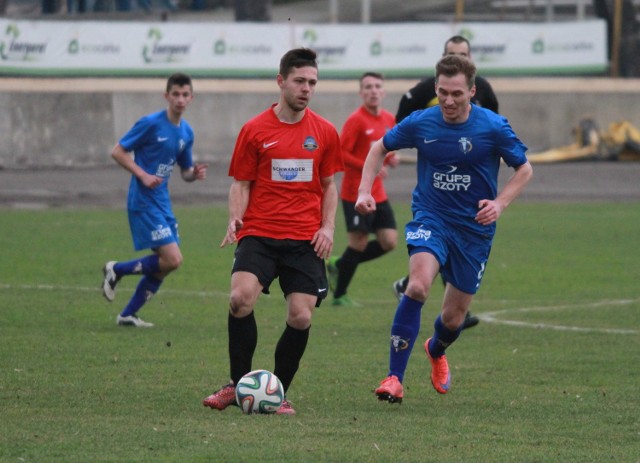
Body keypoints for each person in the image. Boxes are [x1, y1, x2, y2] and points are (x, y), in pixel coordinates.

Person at [356, 55, 532, 403]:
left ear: (471, 91)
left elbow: (524, 170)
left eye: (456, 93)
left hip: (473, 231)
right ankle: (394, 378)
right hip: (430, 218)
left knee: (453, 318)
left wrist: (499, 204)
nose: (449, 101)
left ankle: (436, 349)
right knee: (418, 285)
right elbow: (379, 148)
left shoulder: (493, 126)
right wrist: (364, 190)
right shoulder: (422, 122)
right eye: (442, 93)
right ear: (435, 89)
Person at [202, 48, 343, 415]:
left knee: (301, 316)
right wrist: (236, 218)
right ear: (281, 81)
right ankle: (238, 385)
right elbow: (241, 184)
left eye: (312, 82)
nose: (306, 88)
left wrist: (328, 227)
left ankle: (276, 394)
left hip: (304, 239)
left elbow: (329, 186)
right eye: (299, 81)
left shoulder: (325, 132)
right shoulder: (255, 130)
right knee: (239, 299)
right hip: (260, 232)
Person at [392, 35, 500, 330]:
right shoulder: (424, 92)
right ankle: (417, 288)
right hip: (435, 200)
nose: (449, 100)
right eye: (452, 54)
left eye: (463, 54)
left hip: (472, 204)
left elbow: (496, 131)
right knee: (433, 248)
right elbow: (401, 122)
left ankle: (448, 314)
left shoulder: (485, 93)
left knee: (451, 306)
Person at [101, 72, 207, 328]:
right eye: (175, 94)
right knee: (173, 259)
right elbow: (118, 151)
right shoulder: (150, 123)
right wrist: (142, 174)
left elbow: (184, 171)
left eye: (185, 95)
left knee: (166, 265)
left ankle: (127, 315)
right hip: (143, 200)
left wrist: (194, 174)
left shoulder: (186, 132)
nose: (180, 99)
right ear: (166, 96)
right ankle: (117, 269)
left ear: (191, 98)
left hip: (162, 203)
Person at [326, 72, 399, 306]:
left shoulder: (389, 119)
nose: (373, 90)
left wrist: (391, 158)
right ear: (361, 92)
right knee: (357, 244)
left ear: (383, 91)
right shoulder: (356, 120)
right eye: (368, 87)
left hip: (379, 194)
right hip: (355, 193)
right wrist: (373, 168)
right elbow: (342, 154)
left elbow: (386, 150)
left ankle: (339, 263)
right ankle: (339, 295)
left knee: (389, 241)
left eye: (377, 86)